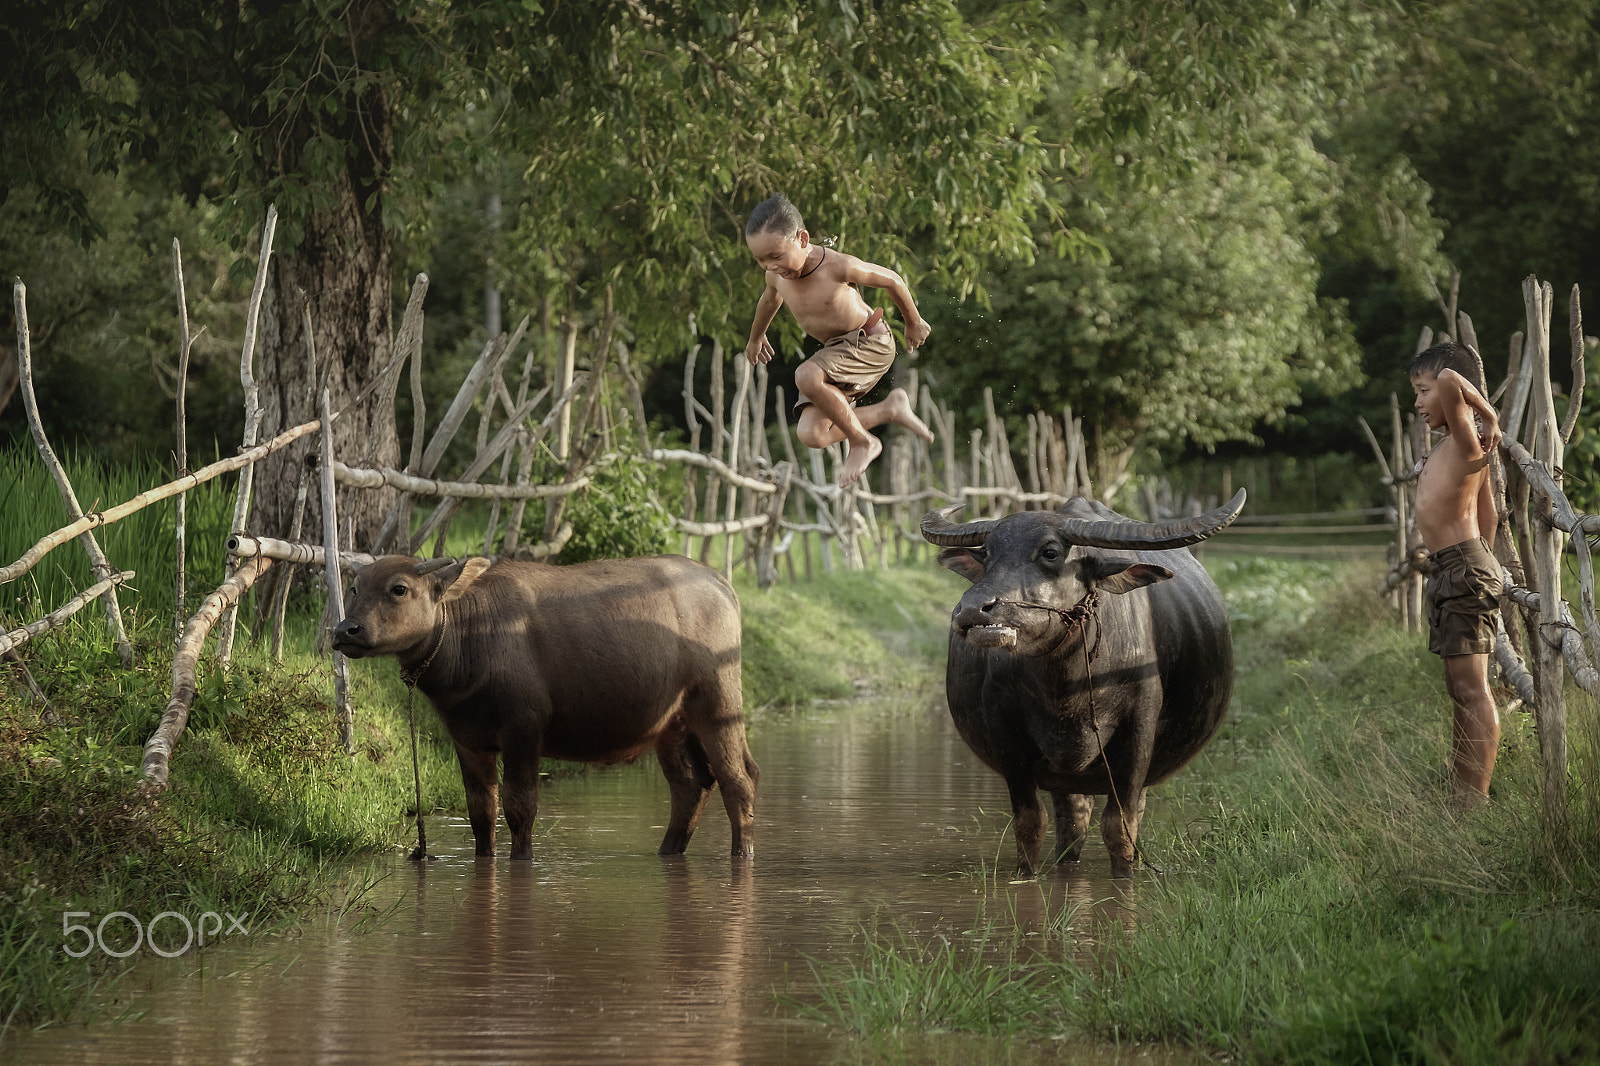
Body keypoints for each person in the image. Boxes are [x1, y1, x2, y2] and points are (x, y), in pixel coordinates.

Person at [742, 193, 935, 488]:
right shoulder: (776, 277)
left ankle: (862, 443)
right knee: (812, 435)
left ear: (802, 239)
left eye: (776, 256)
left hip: (870, 342)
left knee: (806, 375)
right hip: (838, 352)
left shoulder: (836, 266)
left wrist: (913, 321)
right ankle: (890, 409)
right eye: (761, 260)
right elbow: (768, 302)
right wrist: (756, 337)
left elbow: (892, 279)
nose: (770, 266)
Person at [1409, 341, 1505, 805]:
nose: (1419, 402)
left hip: (1462, 568)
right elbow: (1487, 514)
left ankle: (1474, 800)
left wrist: (1489, 413)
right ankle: (1461, 790)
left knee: (1472, 688)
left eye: (1422, 391)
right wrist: (1481, 559)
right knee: (1457, 688)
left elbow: (1450, 380)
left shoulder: (1471, 436)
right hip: (1457, 567)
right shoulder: (1453, 446)